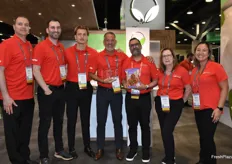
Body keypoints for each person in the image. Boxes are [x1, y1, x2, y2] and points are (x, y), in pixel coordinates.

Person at [32, 19, 72, 164]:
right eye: (52, 27)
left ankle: (59, 150)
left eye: (58, 27)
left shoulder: (61, 47)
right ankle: (43, 155)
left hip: (61, 90)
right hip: (47, 91)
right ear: (48, 30)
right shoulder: (41, 47)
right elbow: (35, 70)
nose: (56, 29)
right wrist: (46, 89)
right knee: (45, 123)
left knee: (59, 122)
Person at [0, 16, 36, 164]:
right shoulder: (6, 45)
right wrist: (6, 96)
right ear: (14, 27)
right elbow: (0, 71)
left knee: (25, 132)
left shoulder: (28, 45)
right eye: (20, 24)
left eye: (26, 25)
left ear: (29, 29)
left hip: (28, 97)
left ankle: (25, 158)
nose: (23, 27)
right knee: (12, 134)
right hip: (12, 98)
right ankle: (17, 161)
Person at [89, 31, 127, 161]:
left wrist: (148, 58)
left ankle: (119, 148)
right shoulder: (98, 56)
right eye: (107, 40)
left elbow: (133, 63)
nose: (110, 42)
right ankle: (100, 148)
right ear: (104, 42)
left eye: (112, 40)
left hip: (116, 93)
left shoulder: (122, 56)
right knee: (101, 121)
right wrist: (101, 80)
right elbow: (91, 73)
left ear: (115, 41)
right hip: (102, 92)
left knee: (118, 121)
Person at [122, 38, 158, 163]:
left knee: (145, 125)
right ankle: (133, 149)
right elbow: (122, 79)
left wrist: (147, 86)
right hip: (130, 97)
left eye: (136, 44)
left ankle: (146, 150)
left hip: (144, 97)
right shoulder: (126, 61)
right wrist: (124, 84)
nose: (134, 47)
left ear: (140, 46)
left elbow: (156, 80)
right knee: (132, 125)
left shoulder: (149, 61)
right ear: (129, 47)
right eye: (131, 45)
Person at [191, 42, 228, 164]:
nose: (200, 53)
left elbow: (225, 88)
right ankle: (203, 160)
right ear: (195, 52)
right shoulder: (195, 70)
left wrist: (219, 108)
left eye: (204, 50)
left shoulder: (216, 67)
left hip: (211, 109)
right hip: (198, 109)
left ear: (209, 53)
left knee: (207, 138)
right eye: (198, 50)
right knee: (202, 137)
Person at [64, 25, 97, 158]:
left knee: (85, 119)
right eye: (79, 34)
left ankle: (87, 146)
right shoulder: (67, 52)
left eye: (84, 34)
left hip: (86, 88)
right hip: (71, 88)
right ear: (75, 37)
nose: (82, 37)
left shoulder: (93, 53)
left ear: (87, 37)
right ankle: (71, 147)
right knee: (71, 119)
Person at [154, 48, 191, 164]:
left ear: (173, 57)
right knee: (164, 131)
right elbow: (155, 83)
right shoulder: (160, 71)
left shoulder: (182, 71)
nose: (166, 58)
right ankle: (169, 155)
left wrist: (182, 102)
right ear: (161, 59)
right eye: (164, 56)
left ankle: (170, 159)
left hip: (175, 104)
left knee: (167, 130)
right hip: (161, 102)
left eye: (168, 55)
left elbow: (188, 87)